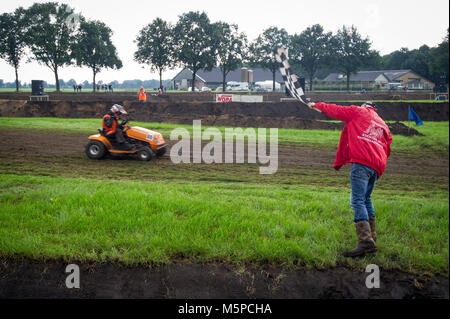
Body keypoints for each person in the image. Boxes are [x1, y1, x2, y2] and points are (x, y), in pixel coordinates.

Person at [307, 100, 392, 257]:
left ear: (364, 106)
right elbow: (388, 146)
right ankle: (372, 238)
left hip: (362, 163)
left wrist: (316, 105)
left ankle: (365, 241)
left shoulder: (359, 112)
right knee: (366, 199)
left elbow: (337, 109)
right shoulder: (382, 123)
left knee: (357, 201)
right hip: (377, 166)